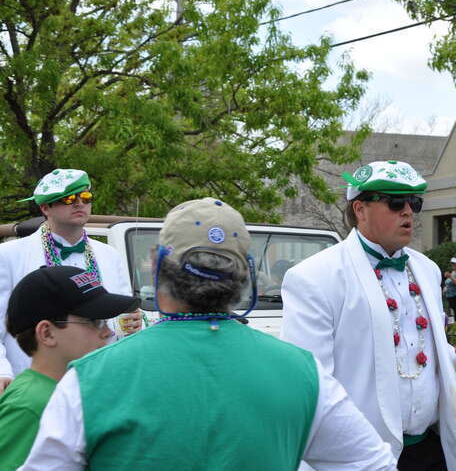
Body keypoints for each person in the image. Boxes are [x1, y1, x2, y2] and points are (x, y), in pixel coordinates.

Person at [23, 197, 395, 470]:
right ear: (246, 274)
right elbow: (373, 465)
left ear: (155, 264)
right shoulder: (304, 372)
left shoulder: (90, 377)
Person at [281, 160, 456, 470]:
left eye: (414, 203)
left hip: (433, 451)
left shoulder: (428, 269)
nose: (408, 211)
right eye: (395, 202)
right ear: (360, 209)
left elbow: (417, 352)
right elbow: (310, 385)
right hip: (359, 459)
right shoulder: (314, 276)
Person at [0, 169, 138, 393]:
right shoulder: (8, 254)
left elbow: (118, 315)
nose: (79, 204)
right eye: (67, 199)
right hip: (34, 381)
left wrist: (129, 322)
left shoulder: (108, 254)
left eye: (84, 197)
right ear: (45, 208)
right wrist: (2, 371)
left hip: (96, 379)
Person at [0, 266, 138, 469]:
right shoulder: (30, 405)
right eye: (94, 321)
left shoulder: (65, 391)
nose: (108, 332)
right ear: (47, 333)